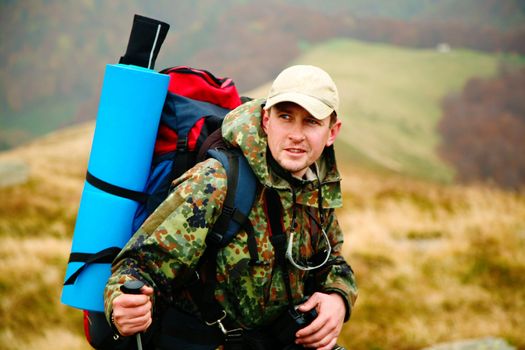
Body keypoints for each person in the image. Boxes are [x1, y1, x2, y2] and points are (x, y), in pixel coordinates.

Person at [104, 65, 358, 350]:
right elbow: (136, 266)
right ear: (266, 120)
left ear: (332, 132)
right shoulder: (217, 181)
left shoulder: (314, 186)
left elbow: (333, 261)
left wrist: (338, 297)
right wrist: (123, 304)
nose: (296, 135)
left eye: (311, 122)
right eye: (285, 117)